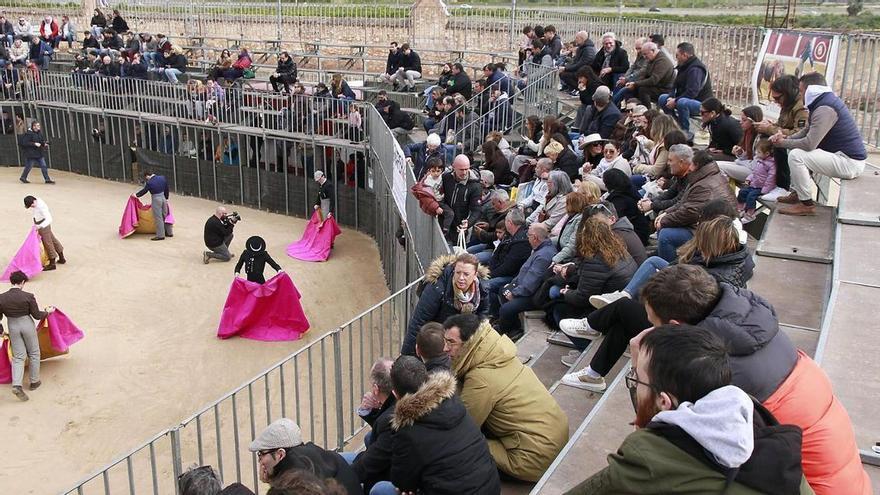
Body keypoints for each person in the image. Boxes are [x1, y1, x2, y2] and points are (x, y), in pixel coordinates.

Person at [634, 264, 871, 494]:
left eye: (653, 323)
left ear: (675, 327)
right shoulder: (757, 330)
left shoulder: (712, 374)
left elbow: (654, 440)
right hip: (846, 482)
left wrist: (640, 367)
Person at [564, 325, 814, 495]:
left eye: (636, 379)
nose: (634, 383)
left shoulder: (649, 458)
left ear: (664, 402)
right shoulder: (753, 418)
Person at [444, 314, 569, 481]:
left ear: (468, 344)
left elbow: (462, 429)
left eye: (451, 343)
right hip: (553, 440)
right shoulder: (497, 354)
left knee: (457, 448)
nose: (445, 348)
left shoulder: (481, 378)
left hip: (533, 458)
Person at [388, 356, 501, 494]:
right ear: (428, 376)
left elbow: (401, 481)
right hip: (491, 488)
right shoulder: (455, 402)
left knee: (381, 489)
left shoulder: (408, 434)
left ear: (395, 394)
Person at [773, 72, 867, 216]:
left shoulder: (825, 108)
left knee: (797, 155)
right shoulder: (822, 102)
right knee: (796, 151)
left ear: (810, 89)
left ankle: (806, 204)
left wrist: (783, 143)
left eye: (802, 90)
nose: (800, 94)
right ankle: (798, 194)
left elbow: (810, 144)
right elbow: (806, 130)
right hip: (841, 157)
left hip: (849, 162)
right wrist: (785, 138)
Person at [654, 147, 734, 261]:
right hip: (707, 226)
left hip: (715, 233)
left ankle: (669, 269)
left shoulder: (704, 185)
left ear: (697, 165)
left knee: (665, 235)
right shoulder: (703, 178)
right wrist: (666, 212)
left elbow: (691, 212)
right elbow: (684, 202)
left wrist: (665, 220)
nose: (688, 169)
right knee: (664, 224)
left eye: (690, 166)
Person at [401, 253, 488, 356]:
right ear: (453, 270)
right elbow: (418, 321)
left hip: (462, 345)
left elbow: (483, 315)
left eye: (466, 274)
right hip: (436, 342)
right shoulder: (438, 287)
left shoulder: (481, 290)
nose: (461, 278)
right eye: (458, 272)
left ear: (475, 275)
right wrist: (406, 356)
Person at [249, 418, 361, 495]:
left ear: (280, 454)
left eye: (261, 454)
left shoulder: (296, 479)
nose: (260, 460)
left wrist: (273, 481)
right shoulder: (312, 453)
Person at [343, 358, 396, 495]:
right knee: (334, 458)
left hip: (386, 474)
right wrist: (373, 409)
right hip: (375, 459)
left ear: (375, 389)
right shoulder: (399, 400)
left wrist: (340, 482)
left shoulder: (391, 418)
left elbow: (370, 464)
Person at [495, 223, 556, 340]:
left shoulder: (543, 255)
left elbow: (532, 282)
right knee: (502, 290)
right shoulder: (540, 249)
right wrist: (512, 285)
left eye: (528, 235)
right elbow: (524, 272)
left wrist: (515, 293)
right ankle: (512, 326)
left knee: (506, 308)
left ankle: (508, 330)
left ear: (535, 237)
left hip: (534, 295)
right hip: (524, 288)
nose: (527, 237)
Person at [0, 271, 54, 401]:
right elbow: (36, 315)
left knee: (18, 356)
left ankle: (17, 385)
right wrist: (47, 312)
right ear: (22, 282)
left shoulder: (1, 298)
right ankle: (34, 382)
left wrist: (0, 329)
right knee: (34, 353)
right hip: (27, 324)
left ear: (12, 282)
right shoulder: (28, 296)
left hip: (12, 325)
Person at [755, 74, 807, 190]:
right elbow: (781, 125)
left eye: (778, 98)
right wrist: (770, 125)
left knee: (779, 144)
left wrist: (769, 129)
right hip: (787, 145)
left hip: (799, 148)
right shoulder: (787, 104)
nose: (776, 101)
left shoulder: (801, 107)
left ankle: (782, 187)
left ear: (788, 93)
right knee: (764, 137)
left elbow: (799, 133)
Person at [658, 42, 714, 132]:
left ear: (685, 55)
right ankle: (674, 124)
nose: (676, 58)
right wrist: (671, 96)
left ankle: (685, 131)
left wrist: (675, 100)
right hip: (684, 98)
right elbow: (675, 85)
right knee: (663, 98)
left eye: (677, 55)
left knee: (682, 102)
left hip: (701, 103)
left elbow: (692, 92)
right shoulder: (683, 66)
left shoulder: (696, 69)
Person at [717, 105, 767, 184]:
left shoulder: (760, 137)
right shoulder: (748, 133)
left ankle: (725, 193)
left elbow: (756, 163)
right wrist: (740, 153)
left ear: (753, 121)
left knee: (719, 167)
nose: (741, 122)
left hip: (756, 172)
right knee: (715, 164)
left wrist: (739, 161)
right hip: (748, 166)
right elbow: (747, 157)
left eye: (744, 120)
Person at [439, 154, 482, 241]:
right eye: (461, 170)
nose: (464, 172)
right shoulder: (446, 178)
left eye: (467, 169)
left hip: (459, 228)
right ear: (454, 167)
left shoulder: (475, 186)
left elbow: (476, 210)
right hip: (443, 222)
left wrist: (468, 222)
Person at [737, 139, 777, 223]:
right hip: (754, 184)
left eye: (759, 152)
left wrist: (765, 190)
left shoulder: (771, 165)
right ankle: (740, 208)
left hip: (761, 187)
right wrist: (749, 178)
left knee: (751, 196)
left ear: (767, 154)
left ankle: (750, 214)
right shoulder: (760, 161)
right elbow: (754, 172)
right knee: (742, 192)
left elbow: (771, 178)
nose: (756, 153)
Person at [625, 41, 674, 107]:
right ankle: (632, 107)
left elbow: (653, 80)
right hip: (656, 86)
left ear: (653, 51)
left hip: (664, 88)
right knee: (630, 88)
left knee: (643, 90)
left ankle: (647, 111)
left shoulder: (662, 61)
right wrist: (633, 82)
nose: (644, 57)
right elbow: (645, 74)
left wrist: (636, 84)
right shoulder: (652, 59)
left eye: (645, 54)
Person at [24, 195, 65, 270]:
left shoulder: (41, 207)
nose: (31, 207)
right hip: (41, 225)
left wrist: (39, 226)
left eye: (31, 205)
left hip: (43, 226)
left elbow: (49, 219)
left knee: (47, 243)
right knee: (53, 240)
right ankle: (62, 258)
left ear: (33, 201)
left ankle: (52, 263)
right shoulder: (36, 202)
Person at [134, 170, 172, 240]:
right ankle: (169, 232)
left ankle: (160, 235)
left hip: (156, 199)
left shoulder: (149, 182)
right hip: (163, 198)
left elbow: (144, 191)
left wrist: (136, 195)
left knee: (158, 217)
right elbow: (166, 188)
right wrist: (166, 198)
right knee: (165, 215)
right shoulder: (162, 178)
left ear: (147, 176)